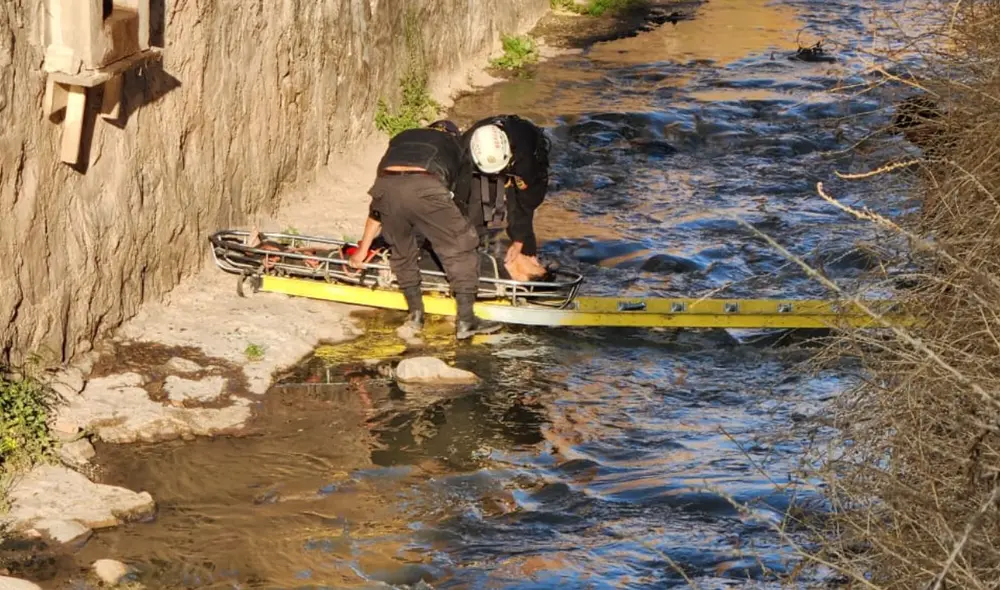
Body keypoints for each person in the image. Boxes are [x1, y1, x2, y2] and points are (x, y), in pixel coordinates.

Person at [348, 120, 502, 340]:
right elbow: (460, 200)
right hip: (426, 184)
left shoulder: (403, 136)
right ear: (453, 133)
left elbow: (377, 208)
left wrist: (363, 249)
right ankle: (467, 321)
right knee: (461, 245)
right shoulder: (457, 145)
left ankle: (416, 316)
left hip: (386, 185)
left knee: (401, 250)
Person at [460, 115, 551, 281]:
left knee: (522, 212)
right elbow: (462, 192)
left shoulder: (526, 159)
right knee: (475, 205)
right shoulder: (466, 146)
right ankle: (473, 250)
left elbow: (525, 202)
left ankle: (527, 257)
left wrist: (519, 240)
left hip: (524, 151)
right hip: (479, 163)